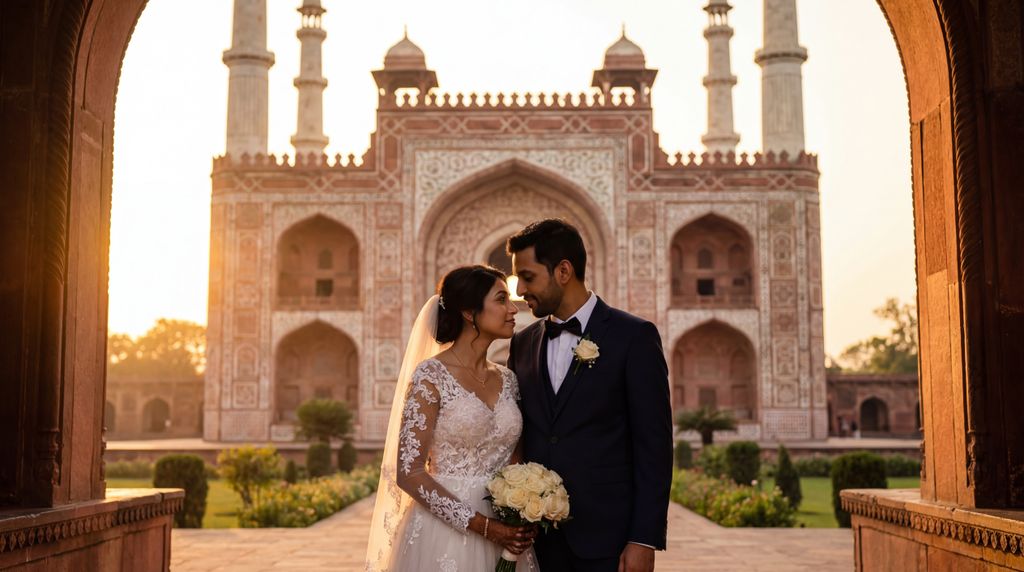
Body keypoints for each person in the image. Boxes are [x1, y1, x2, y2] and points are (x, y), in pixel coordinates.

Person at [506, 219, 673, 572]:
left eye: (528, 276)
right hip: (538, 542)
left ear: (563, 271)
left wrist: (643, 538)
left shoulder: (633, 337)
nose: (519, 289)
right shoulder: (523, 343)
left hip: (607, 541)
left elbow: (653, 446)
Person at [365, 265, 538, 571]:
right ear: (470, 313)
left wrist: (524, 507)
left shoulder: (509, 379)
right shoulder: (431, 376)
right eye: (501, 299)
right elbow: (410, 472)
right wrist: (484, 526)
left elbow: (516, 461)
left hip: (507, 529)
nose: (513, 309)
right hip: (445, 531)